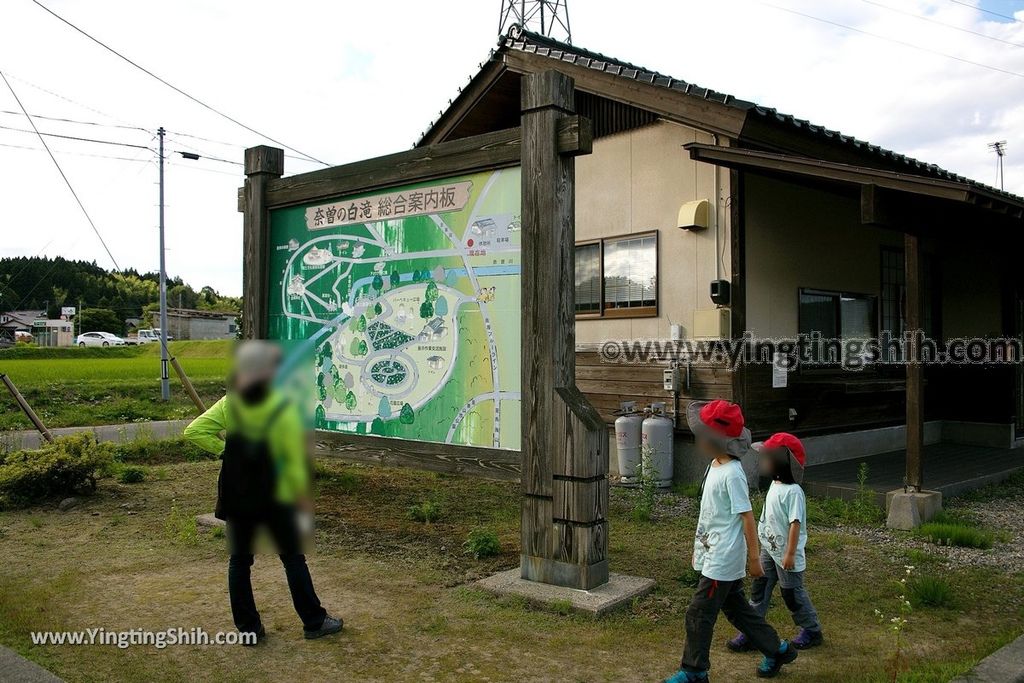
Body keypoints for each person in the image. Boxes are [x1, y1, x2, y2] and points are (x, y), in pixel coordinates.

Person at [184, 340, 343, 644]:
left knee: (240, 562)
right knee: (293, 559)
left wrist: (224, 451)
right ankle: (314, 622)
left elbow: (194, 431)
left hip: (238, 494)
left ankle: (248, 631)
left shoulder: (230, 402)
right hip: (277, 495)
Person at [666, 400, 797, 682]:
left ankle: (694, 671)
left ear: (714, 440)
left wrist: (753, 558)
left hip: (724, 558)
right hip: (714, 552)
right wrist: (700, 551)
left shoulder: (733, 474)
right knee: (737, 609)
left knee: (698, 613)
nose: (697, 438)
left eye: (701, 433)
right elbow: (712, 515)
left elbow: (747, 517)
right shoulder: (715, 465)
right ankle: (778, 649)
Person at [728, 433, 823, 653]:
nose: (763, 462)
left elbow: (794, 525)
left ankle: (812, 630)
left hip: (786, 556)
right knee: (759, 590)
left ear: (782, 461)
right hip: (769, 550)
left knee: (792, 594)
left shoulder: (794, 492)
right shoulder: (774, 485)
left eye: (767, 457)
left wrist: (789, 553)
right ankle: (753, 632)